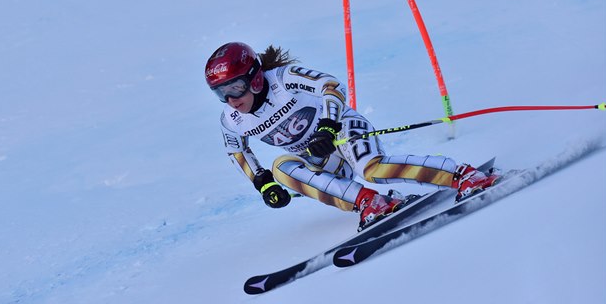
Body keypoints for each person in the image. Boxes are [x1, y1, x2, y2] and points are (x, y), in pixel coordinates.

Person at [205, 42, 499, 231]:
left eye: (236, 88)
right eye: (221, 93)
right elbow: (237, 150)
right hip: (319, 157)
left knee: (373, 170)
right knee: (282, 168)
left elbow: (330, 86)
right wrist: (262, 181)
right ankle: (369, 202)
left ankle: (464, 176)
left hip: (342, 131)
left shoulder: (283, 79)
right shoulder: (231, 119)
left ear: (255, 78)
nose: (231, 99)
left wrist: (328, 125)